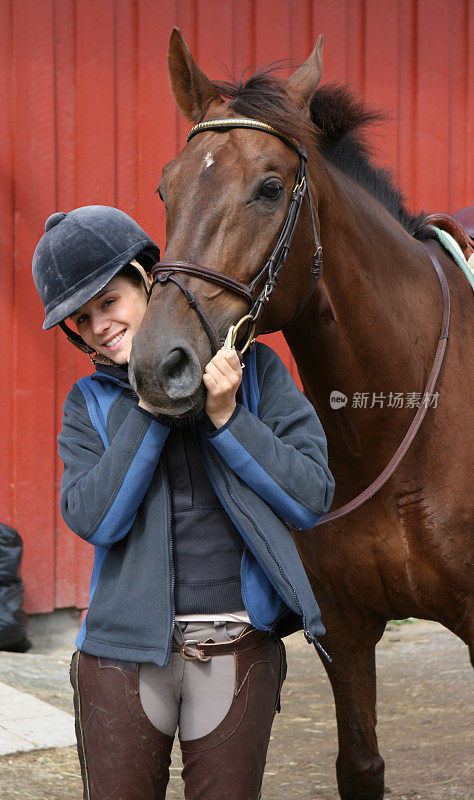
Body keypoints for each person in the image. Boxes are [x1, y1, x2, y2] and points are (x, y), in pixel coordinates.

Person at [32, 205, 335, 800]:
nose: (99, 325)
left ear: (147, 280)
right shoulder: (87, 405)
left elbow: (311, 497)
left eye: (109, 302)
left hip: (236, 646)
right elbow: (94, 518)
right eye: (82, 318)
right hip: (120, 658)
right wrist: (151, 401)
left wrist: (227, 418)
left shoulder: (251, 374)